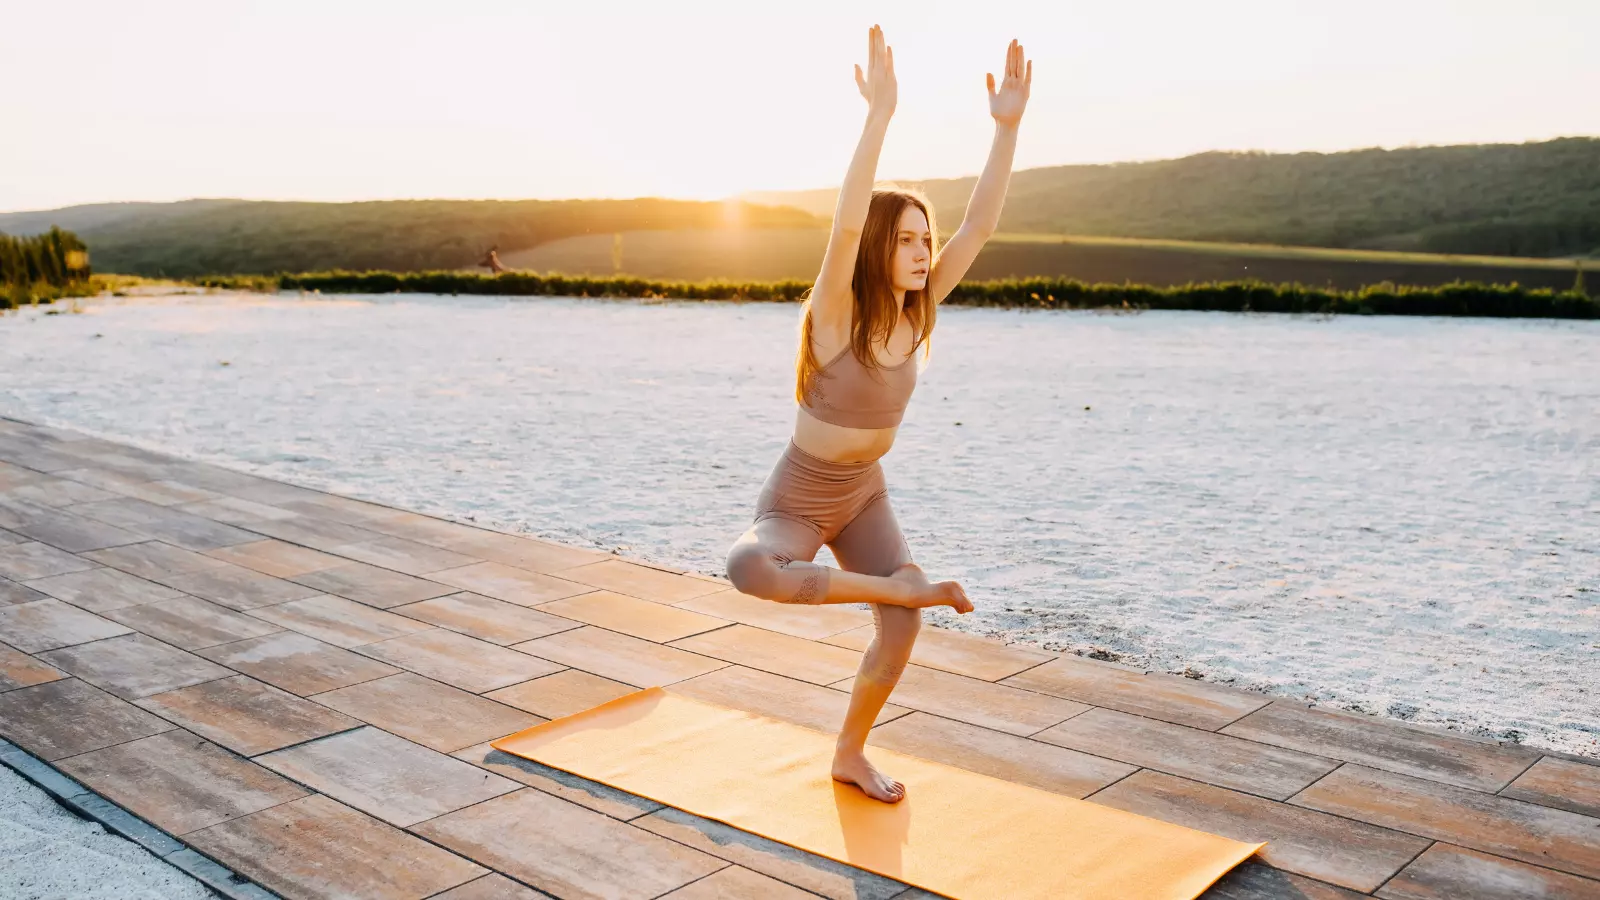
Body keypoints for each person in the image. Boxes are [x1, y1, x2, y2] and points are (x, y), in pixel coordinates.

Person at [725, 25, 1031, 803]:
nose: (926, 252)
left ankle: (850, 754)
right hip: (799, 495)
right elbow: (844, 224)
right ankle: (901, 587)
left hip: (864, 493)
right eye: (907, 240)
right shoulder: (835, 315)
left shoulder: (919, 316)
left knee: (903, 630)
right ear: (878, 251)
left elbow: (982, 227)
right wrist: (879, 117)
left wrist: (1006, 129)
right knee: (748, 567)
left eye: (927, 239)